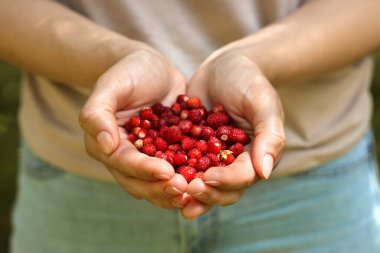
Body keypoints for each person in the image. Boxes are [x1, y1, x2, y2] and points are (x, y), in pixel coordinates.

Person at [1, 0, 380, 252]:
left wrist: (254, 59)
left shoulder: (184, 131)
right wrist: (112, 58)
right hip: (74, 184)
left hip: (316, 184)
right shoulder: (194, 131)